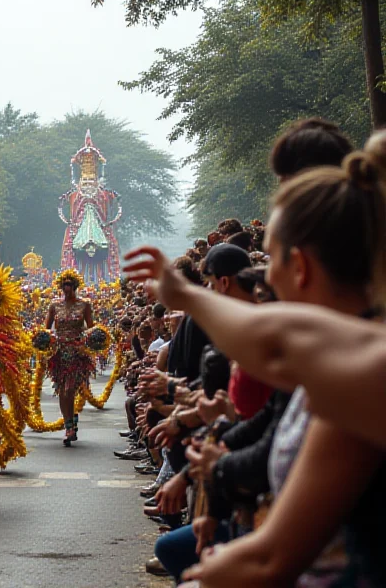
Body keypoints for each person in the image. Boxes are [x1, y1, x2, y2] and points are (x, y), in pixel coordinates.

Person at [125, 146, 386, 587]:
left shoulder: (357, 367)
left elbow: (274, 345)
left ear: (298, 267)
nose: (260, 277)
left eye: (269, 258)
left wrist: (188, 297)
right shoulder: (332, 386)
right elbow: (279, 549)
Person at [44, 269, 94, 447]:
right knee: (62, 390)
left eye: (70, 286)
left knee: (70, 389)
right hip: (59, 352)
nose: (67, 289)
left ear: (75, 286)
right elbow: (46, 329)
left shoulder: (84, 305)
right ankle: (69, 424)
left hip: (76, 353)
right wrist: (45, 340)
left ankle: (70, 426)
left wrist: (85, 342)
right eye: (64, 285)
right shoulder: (54, 305)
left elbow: (91, 329)